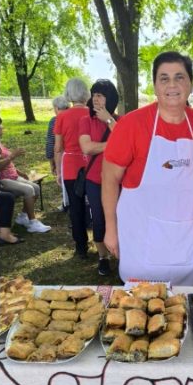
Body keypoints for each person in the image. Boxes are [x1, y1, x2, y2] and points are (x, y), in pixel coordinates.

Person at [102, 51, 193, 285]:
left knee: (183, 311)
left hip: (187, 241)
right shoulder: (131, 125)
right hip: (140, 239)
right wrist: (110, 228)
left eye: (179, 77)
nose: (172, 85)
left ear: (191, 84)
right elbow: (109, 178)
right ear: (154, 86)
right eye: (164, 78)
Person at [78, 79, 120, 276]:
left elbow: (127, 144)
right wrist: (113, 145)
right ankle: (103, 257)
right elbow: (87, 147)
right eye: (94, 94)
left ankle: (121, 255)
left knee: (120, 218)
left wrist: (109, 120)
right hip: (94, 180)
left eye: (101, 95)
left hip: (118, 180)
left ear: (109, 98)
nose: (96, 98)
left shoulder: (119, 121)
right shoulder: (85, 121)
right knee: (99, 220)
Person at [53, 78, 92, 259]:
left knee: (75, 207)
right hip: (91, 164)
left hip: (70, 166)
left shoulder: (62, 116)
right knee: (95, 204)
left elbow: (58, 147)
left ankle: (81, 247)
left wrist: (58, 171)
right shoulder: (93, 114)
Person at [0, 122, 51, 234]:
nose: (2, 127)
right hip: (3, 180)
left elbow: (8, 164)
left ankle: (22, 217)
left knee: (36, 187)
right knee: (29, 190)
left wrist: (19, 172)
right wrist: (13, 155)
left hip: (13, 176)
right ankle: (33, 223)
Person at [47, 95, 70, 179]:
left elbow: (50, 142)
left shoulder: (54, 121)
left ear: (56, 108)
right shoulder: (75, 117)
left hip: (62, 157)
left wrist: (52, 163)